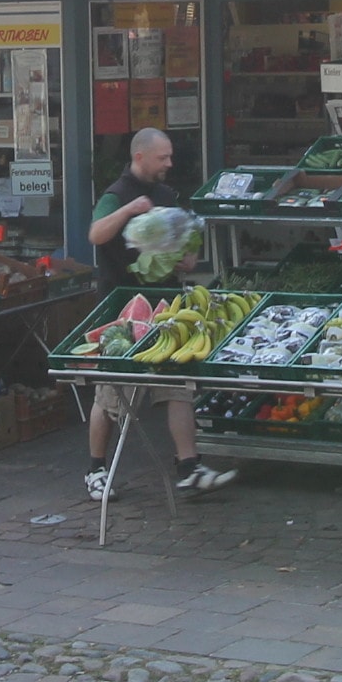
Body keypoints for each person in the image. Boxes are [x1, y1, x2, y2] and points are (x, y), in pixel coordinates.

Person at [83, 126, 236, 499]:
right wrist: (130, 211)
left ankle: (189, 466)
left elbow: (185, 245)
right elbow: (96, 235)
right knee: (111, 397)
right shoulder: (115, 195)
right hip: (122, 311)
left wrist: (186, 257)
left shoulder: (166, 195)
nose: (170, 162)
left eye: (170, 156)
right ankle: (96, 470)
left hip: (166, 309)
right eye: (162, 157)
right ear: (139, 157)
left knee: (177, 391)